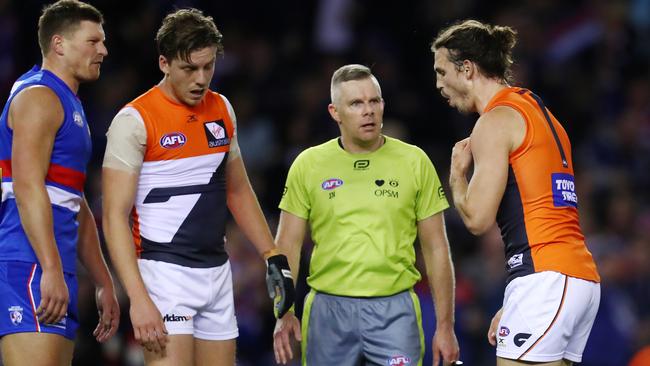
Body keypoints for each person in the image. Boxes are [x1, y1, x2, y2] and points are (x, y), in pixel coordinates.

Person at [101, 8, 294, 366]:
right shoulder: (134, 121)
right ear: (164, 63)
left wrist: (272, 254)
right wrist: (138, 297)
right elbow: (114, 216)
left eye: (208, 67)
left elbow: (237, 191)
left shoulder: (221, 108)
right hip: (163, 274)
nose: (201, 78)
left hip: (217, 273)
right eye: (190, 68)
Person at [432, 20, 601, 366]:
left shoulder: (495, 121)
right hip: (573, 279)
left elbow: (478, 219)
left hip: (545, 278)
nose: (438, 84)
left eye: (441, 71)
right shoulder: (540, 113)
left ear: (467, 69)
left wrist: (456, 177)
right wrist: (516, 302)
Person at [272, 64, 460, 366]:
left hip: (395, 308)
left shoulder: (414, 161)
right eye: (356, 103)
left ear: (383, 105)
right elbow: (287, 246)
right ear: (335, 112)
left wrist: (445, 326)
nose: (368, 111)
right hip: (327, 310)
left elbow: (437, 247)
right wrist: (284, 313)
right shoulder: (308, 165)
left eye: (374, 101)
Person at [0, 1, 120, 365]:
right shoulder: (39, 96)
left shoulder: (69, 102)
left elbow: (72, 200)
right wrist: (49, 268)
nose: (103, 50)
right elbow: (26, 186)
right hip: (29, 265)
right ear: (59, 44)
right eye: (93, 41)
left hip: (54, 267)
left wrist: (103, 280)